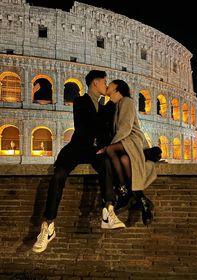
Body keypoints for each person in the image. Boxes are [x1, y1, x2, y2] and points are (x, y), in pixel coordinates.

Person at [32, 70, 126, 254]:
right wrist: (111, 104)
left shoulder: (104, 106)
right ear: (95, 83)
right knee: (58, 175)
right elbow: (89, 125)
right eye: (104, 82)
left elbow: (106, 130)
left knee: (106, 164)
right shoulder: (80, 101)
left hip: (94, 150)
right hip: (77, 148)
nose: (106, 85)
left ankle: (108, 211)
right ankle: (48, 225)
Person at [98, 79, 157, 226]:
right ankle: (141, 199)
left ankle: (124, 192)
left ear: (117, 89)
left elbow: (125, 128)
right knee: (124, 159)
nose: (107, 86)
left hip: (132, 139)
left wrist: (110, 146)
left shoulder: (127, 101)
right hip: (125, 142)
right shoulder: (117, 104)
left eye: (110, 84)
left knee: (110, 150)